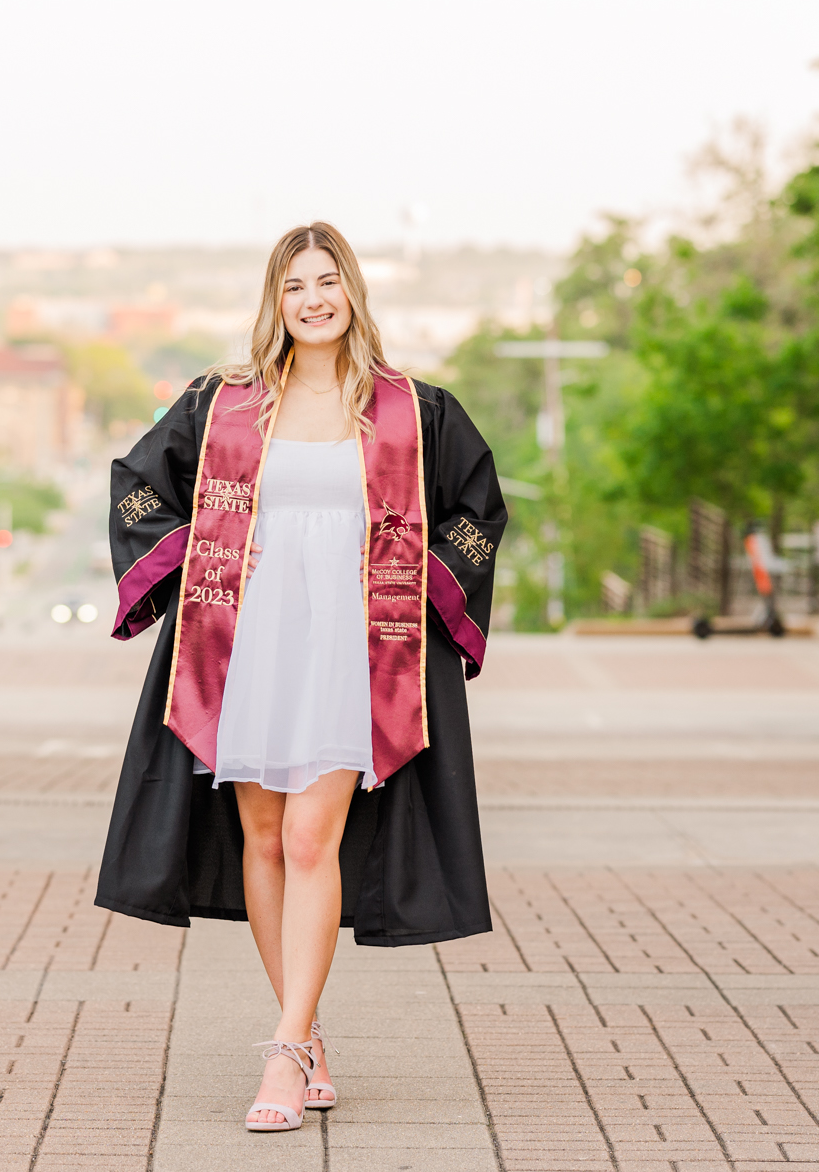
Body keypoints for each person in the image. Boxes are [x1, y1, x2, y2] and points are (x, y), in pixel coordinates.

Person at [97, 221, 506, 1133]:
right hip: (248, 639)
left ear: (352, 291)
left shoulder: (414, 409)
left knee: (316, 837)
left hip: (356, 646)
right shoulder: (223, 403)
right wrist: (183, 565)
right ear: (273, 302)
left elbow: (478, 511)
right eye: (294, 286)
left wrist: (428, 593)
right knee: (267, 836)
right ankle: (307, 1029)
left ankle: (282, 1054)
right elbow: (135, 486)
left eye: (327, 281)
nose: (313, 299)